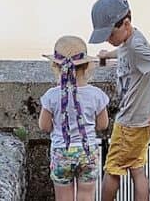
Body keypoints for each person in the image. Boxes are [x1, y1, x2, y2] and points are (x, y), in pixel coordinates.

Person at [88, 0, 150, 201]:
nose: (108, 38)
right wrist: (109, 54)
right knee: (136, 167)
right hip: (139, 120)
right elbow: (125, 51)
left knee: (112, 169)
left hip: (130, 122)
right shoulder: (131, 39)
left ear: (125, 24)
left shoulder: (136, 46)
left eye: (110, 34)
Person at [39, 35, 110, 201]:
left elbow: (44, 126)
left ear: (56, 66)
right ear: (86, 66)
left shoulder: (51, 96)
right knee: (86, 195)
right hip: (88, 152)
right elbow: (103, 125)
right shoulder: (96, 94)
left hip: (61, 151)